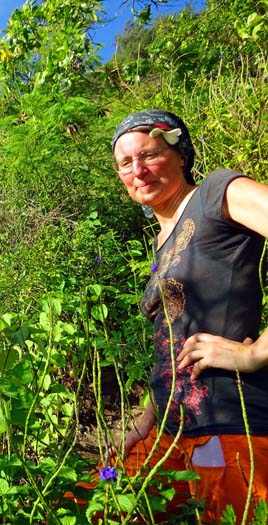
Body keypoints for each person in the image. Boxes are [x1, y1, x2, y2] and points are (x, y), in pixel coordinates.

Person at [110, 109, 268, 523]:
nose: (138, 170)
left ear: (180, 154)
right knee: (98, 504)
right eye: (125, 163)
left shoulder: (216, 192)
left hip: (231, 423)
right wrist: (143, 424)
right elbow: (171, 342)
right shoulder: (161, 246)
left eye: (149, 155)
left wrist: (256, 353)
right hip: (169, 432)